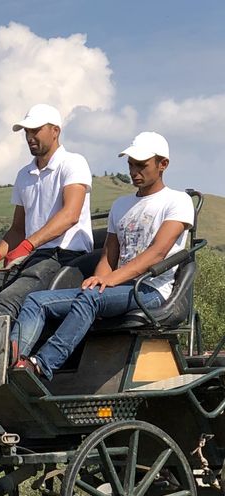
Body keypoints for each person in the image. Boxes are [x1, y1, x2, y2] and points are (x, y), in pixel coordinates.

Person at [10, 131, 194, 379]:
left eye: (142, 165)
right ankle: (11, 361)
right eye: (130, 164)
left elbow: (157, 253)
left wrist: (109, 282)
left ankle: (42, 364)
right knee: (36, 300)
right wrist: (97, 281)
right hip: (118, 288)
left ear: (163, 165)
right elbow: (109, 255)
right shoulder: (120, 205)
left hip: (150, 290)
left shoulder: (177, 201)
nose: (134, 171)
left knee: (91, 299)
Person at [0, 104, 94, 319]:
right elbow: (18, 229)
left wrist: (27, 245)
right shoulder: (24, 175)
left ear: (55, 131)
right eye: (27, 132)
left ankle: (9, 353)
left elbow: (70, 216)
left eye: (35, 130)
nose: (29, 137)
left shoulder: (73, 163)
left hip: (64, 256)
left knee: (8, 300)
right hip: (32, 256)